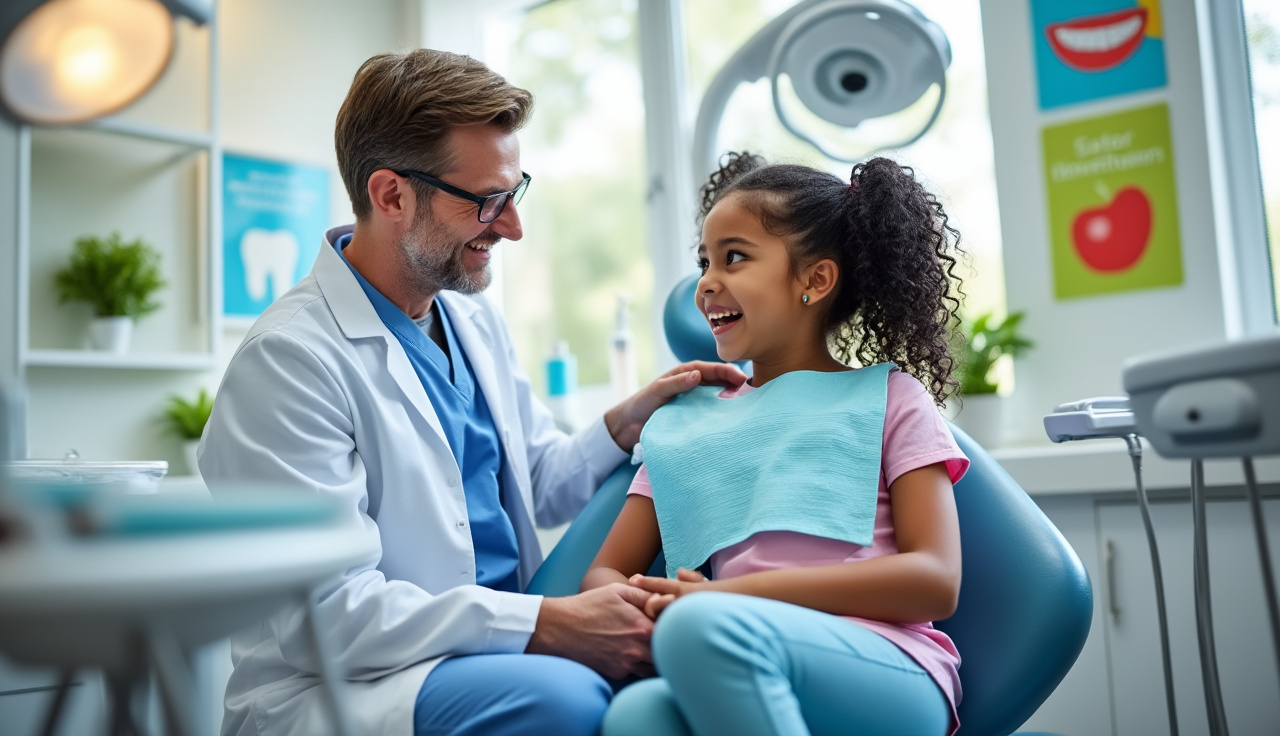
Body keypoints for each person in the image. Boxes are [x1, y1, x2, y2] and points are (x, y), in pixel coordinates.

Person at [199, 49, 744, 736]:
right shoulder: (289, 362)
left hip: (489, 642)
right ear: (391, 195)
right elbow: (326, 619)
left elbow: (535, 479)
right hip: (358, 684)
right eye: (489, 201)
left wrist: (627, 422)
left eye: (516, 192)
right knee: (567, 702)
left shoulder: (469, 318)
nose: (513, 225)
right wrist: (546, 623)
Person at [582, 152, 971, 736]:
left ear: (814, 280)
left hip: (890, 666)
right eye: (704, 261)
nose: (706, 282)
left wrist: (731, 597)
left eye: (734, 257)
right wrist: (655, 604)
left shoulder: (890, 399)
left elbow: (935, 582)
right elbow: (603, 574)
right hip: (724, 644)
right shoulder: (684, 424)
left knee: (702, 629)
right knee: (637, 716)